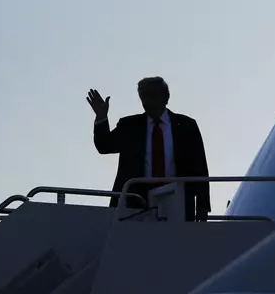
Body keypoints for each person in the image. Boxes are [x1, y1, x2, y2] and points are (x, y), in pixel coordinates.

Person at [86, 77, 211, 221]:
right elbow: (104, 146)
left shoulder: (187, 126)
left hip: (178, 201)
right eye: (143, 97)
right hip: (135, 202)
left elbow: (200, 167)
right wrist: (101, 117)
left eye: (151, 96)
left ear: (165, 97)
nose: (146, 102)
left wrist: (202, 207)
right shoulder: (130, 125)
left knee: (178, 243)